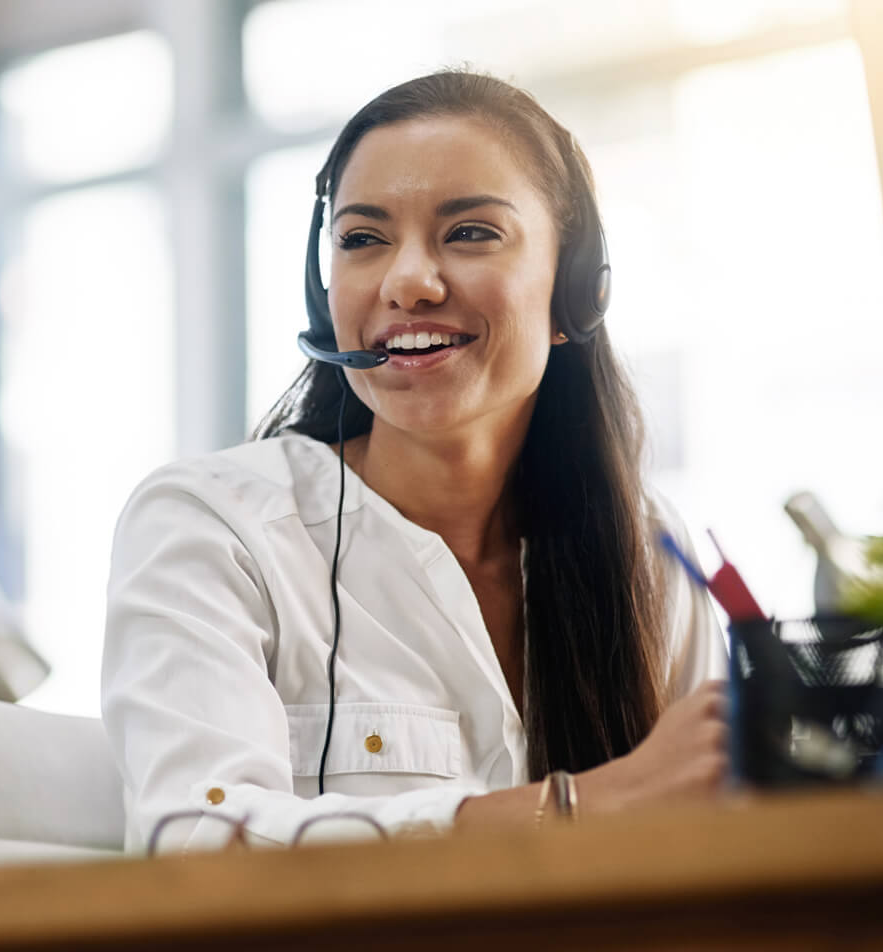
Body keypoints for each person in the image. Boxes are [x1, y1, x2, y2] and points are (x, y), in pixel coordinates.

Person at [102, 70, 728, 853]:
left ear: (575, 292)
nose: (408, 282)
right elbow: (193, 845)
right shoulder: (214, 527)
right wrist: (576, 808)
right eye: (363, 239)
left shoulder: (649, 551)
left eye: (470, 233)